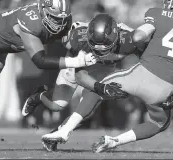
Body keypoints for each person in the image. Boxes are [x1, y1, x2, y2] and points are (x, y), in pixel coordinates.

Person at [41, 0, 173, 153]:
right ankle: (115, 141)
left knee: (97, 89)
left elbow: (138, 37)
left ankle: (63, 131)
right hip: (165, 88)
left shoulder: (157, 13)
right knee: (159, 123)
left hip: (140, 74)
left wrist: (132, 37)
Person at [22, 13, 146, 151]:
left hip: (104, 68)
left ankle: (55, 135)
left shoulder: (130, 39)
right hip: (78, 63)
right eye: (95, 46)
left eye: (105, 47)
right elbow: (80, 76)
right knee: (57, 105)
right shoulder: (76, 37)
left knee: (88, 107)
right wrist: (100, 87)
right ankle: (39, 96)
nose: (100, 51)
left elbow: (148, 58)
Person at [0, 0, 96, 97]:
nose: (58, 24)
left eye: (61, 19)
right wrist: (76, 61)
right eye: (54, 18)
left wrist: (87, 52)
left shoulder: (64, 20)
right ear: (42, 9)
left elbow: (69, 43)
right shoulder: (32, 21)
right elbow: (40, 60)